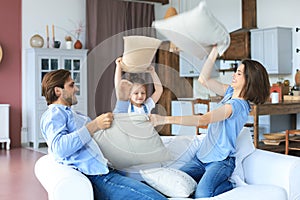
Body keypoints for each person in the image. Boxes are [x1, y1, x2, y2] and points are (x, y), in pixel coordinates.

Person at [150, 46, 270, 198]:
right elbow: (203, 79)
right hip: (201, 157)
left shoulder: (237, 106)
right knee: (172, 184)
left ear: (249, 80)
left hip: (221, 162)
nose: (234, 75)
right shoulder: (230, 92)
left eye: (239, 73)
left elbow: (203, 119)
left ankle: (230, 184)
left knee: (202, 194)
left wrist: (164, 119)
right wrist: (215, 51)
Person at [40, 69, 168, 200]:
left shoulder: (73, 114)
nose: (76, 89)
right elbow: (59, 148)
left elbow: (108, 133)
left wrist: (123, 101)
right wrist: (94, 125)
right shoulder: (54, 114)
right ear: (58, 91)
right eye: (72, 85)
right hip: (100, 177)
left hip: (110, 170)